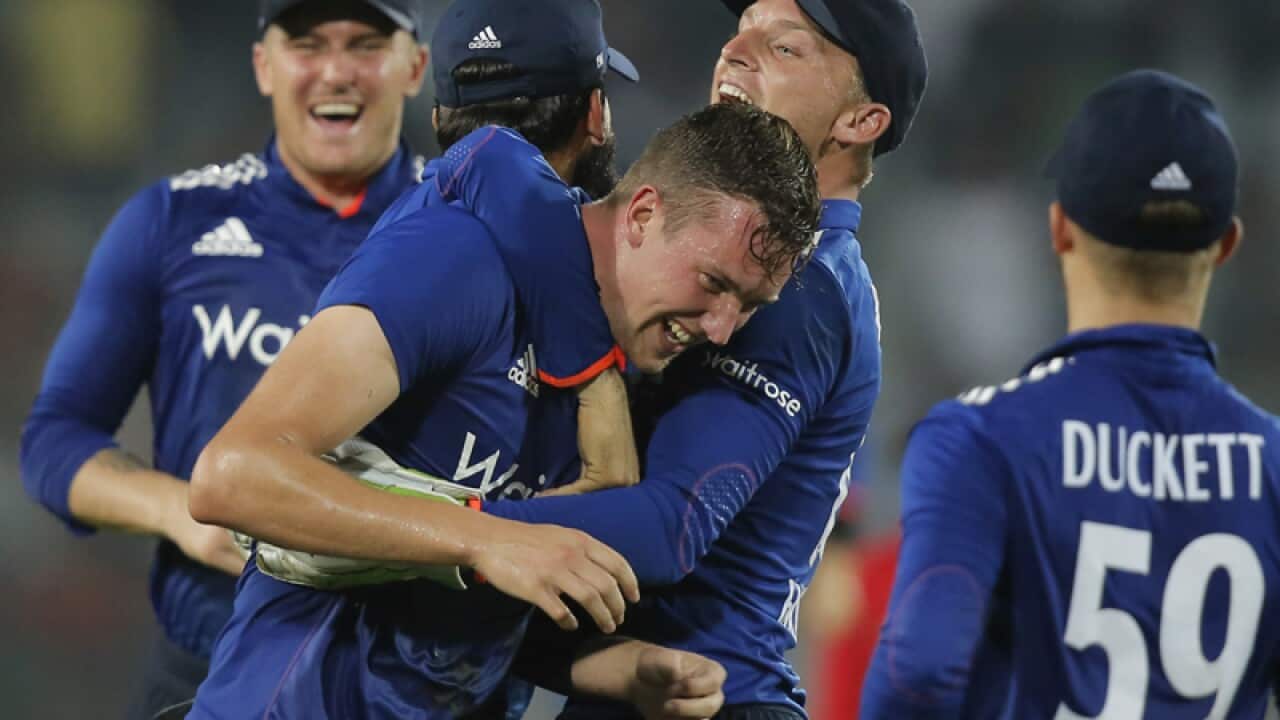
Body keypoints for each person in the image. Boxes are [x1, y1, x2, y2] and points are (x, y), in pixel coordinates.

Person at [185, 84, 821, 717]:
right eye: (714, 283)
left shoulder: (622, 372)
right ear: (644, 214)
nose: (720, 329)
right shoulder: (460, 264)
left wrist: (616, 669)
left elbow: (463, 612)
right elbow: (233, 475)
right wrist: (484, 537)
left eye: (748, 307)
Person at [479, 1, 927, 718]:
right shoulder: (736, 257)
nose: (737, 50)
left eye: (784, 48)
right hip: (640, 685)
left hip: (708, 694)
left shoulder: (800, 287)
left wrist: (424, 525)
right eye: (743, 27)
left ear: (860, 122)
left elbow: (670, 527)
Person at [19, 1, 429, 716]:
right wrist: (180, 509)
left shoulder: (479, 232)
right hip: (208, 674)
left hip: (416, 684)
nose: (335, 71)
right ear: (264, 65)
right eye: (306, 44)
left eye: (366, 44)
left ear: (415, 66)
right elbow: (56, 440)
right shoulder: (172, 223)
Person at [860, 70, 1280, 719]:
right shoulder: (1273, 463)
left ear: (1059, 230)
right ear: (1226, 245)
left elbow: (919, 675)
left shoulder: (980, 441)